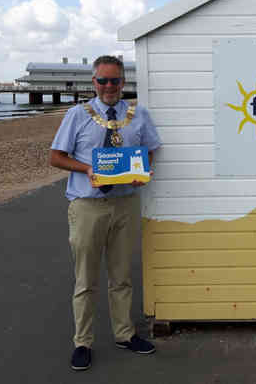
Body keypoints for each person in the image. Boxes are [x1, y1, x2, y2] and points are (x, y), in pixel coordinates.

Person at [50, 55, 161, 371]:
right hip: (88, 206)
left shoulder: (138, 115)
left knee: (122, 275)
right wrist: (86, 168)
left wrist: (143, 169)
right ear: (94, 83)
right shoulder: (77, 115)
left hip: (125, 204)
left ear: (123, 82)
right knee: (86, 279)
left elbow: (150, 149)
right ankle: (82, 342)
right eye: (103, 81)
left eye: (115, 81)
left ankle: (124, 334)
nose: (109, 87)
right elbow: (56, 157)